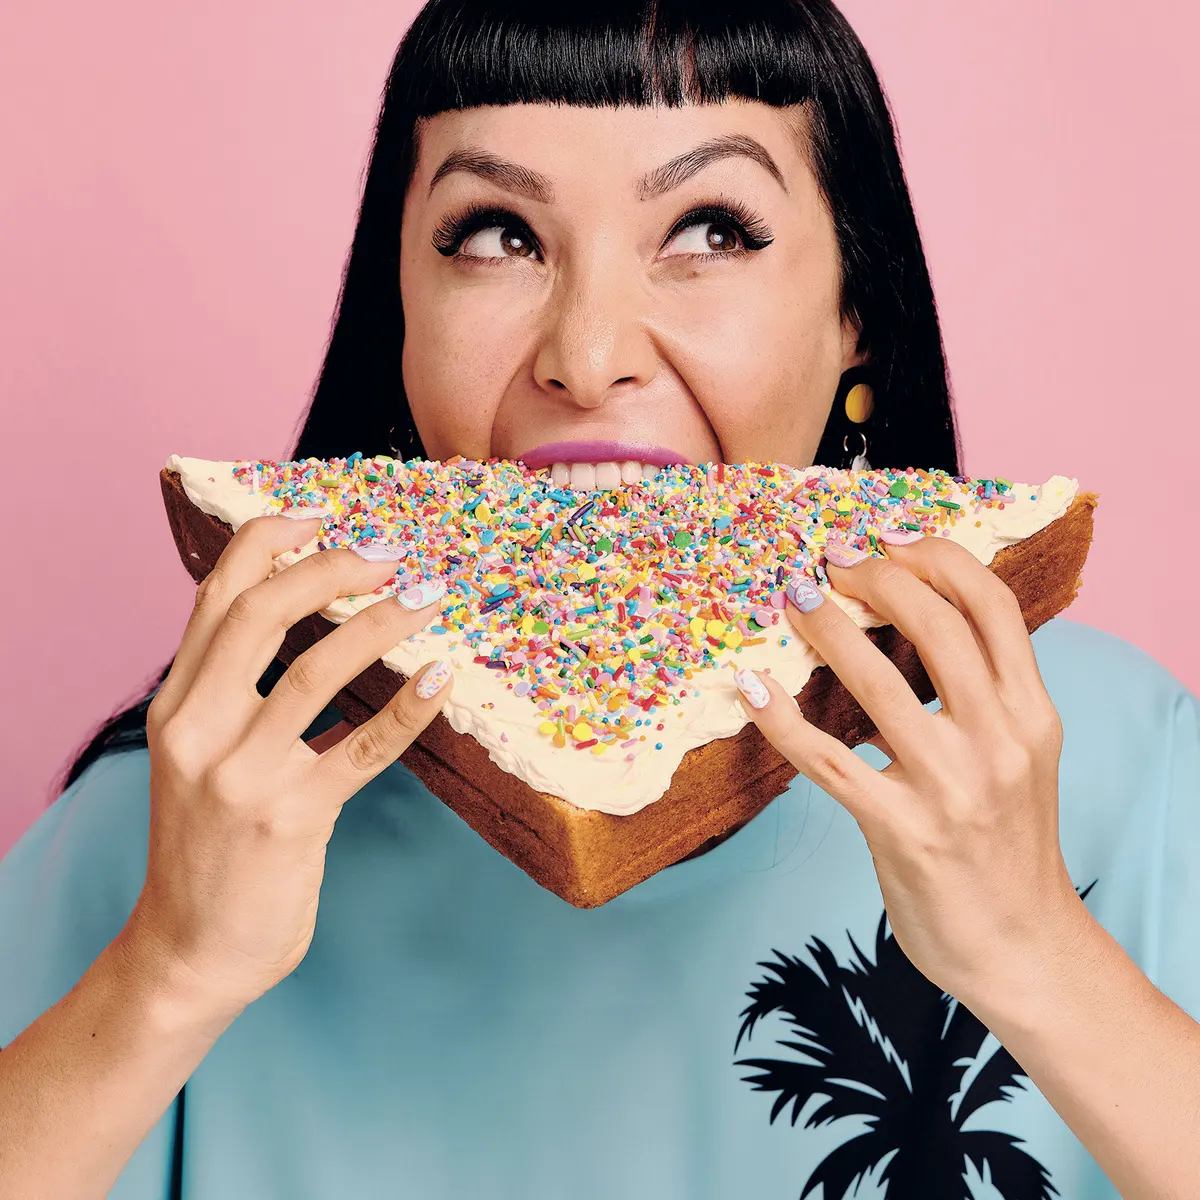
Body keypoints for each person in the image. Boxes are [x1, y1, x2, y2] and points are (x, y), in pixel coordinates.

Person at [2, 1, 1198, 1196]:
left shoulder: (1126, 772)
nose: (587, 350)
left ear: (858, 326)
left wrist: (1040, 954)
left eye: (713, 230)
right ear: (401, 326)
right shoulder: (176, 815)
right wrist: (167, 971)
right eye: (495, 236)